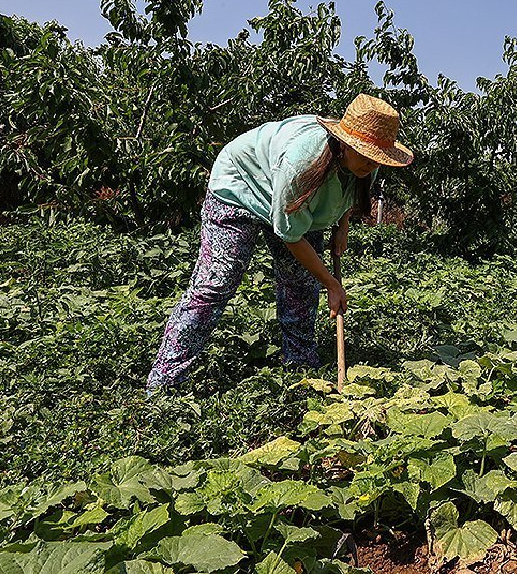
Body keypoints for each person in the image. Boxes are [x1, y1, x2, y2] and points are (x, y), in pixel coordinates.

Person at [145, 94, 413, 393]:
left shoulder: (367, 163)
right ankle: (164, 380)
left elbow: (349, 192)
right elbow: (291, 236)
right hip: (241, 185)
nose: (371, 162)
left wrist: (342, 225)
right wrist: (331, 283)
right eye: (365, 154)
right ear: (344, 142)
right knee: (216, 283)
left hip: (295, 203)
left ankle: (300, 368)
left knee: (300, 286)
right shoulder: (302, 162)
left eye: (376, 156)